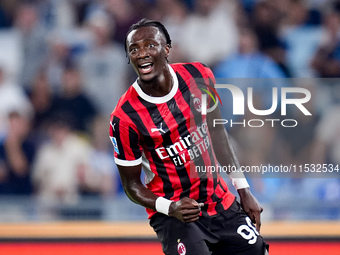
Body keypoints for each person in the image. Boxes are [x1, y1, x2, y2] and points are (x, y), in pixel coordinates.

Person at [109, 18, 269, 255]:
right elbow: (131, 185)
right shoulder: (124, 118)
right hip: (176, 215)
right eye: (134, 49)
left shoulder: (200, 76)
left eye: (150, 45)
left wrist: (243, 190)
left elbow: (217, 132)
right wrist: (170, 207)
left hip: (219, 201)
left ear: (167, 49)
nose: (141, 53)